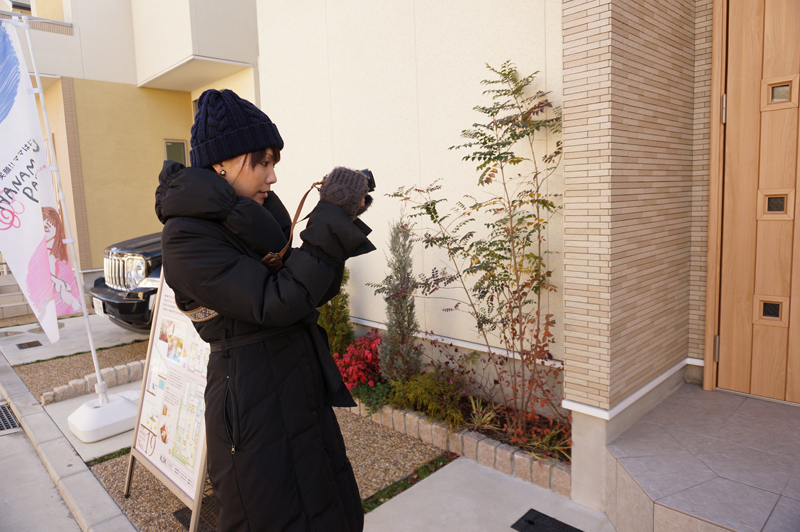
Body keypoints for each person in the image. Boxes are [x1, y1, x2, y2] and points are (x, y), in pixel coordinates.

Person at [155, 89, 374, 532]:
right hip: (252, 403)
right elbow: (276, 301)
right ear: (223, 161)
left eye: (274, 163)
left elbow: (309, 290)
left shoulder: (256, 215)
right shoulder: (185, 237)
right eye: (264, 162)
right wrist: (328, 221)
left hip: (296, 384)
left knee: (329, 507)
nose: (273, 176)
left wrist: (341, 217)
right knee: (274, 515)